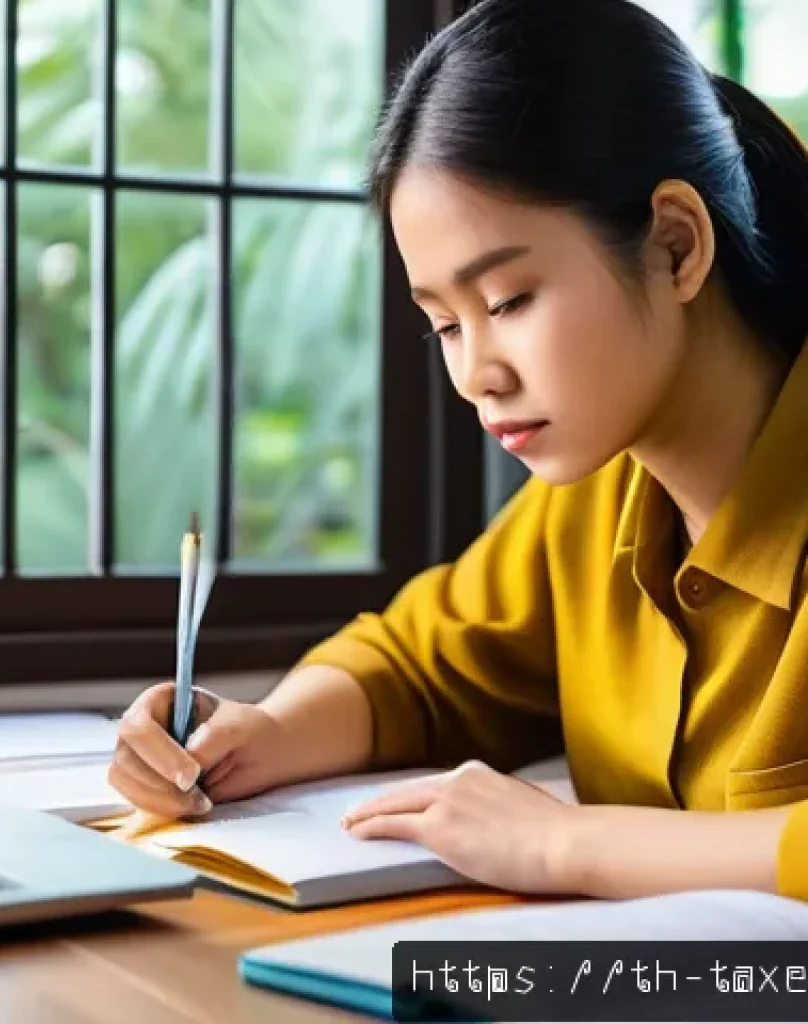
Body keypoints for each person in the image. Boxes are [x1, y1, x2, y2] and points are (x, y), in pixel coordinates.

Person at [108, 0, 808, 903]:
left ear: (675, 245)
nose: (477, 373)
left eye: (509, 301)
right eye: (443, 323)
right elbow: (420, 665)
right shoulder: (597, 496)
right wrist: (261, 734)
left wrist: (568, 846)